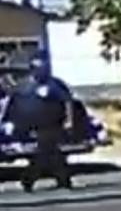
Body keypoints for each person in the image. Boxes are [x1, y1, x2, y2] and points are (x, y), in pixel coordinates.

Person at [9, 54, 75, 192]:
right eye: (35, 68)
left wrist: (68, 120)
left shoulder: (53, 85)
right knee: (50, 154)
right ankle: (57, 179)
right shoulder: (27, 86)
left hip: (53, 124)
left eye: (41, 68)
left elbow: (67, 101)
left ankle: (34, 179)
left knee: (48, 153)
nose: (38, 71)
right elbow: (18, 104)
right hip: (37, 126)